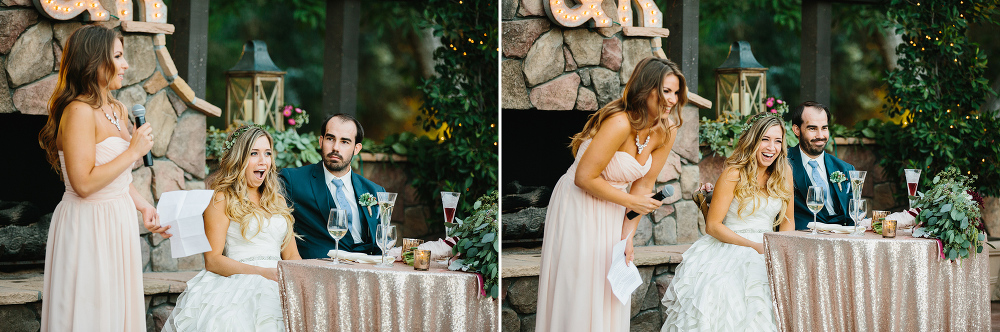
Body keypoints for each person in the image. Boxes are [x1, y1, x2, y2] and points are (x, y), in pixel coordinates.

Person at [534, 57, 686, 331]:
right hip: (579, 204)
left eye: (676, 92)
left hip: (614, 207)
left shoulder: (666, 131)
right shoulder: (620, 122)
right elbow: (584, 178)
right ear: (646, 88)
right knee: (579, 287)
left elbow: (643, 184)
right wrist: (630, 201)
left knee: (608, 289)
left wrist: (627, 237)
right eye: (666, 91)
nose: (673, 99)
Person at [36, 24, 170, 332]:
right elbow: (83, 184)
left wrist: (143, 206)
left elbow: (117, 176)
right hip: (87, 225)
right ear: (95, 61)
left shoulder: (117, 109)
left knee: (115, 312)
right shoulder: (77, 111)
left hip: (118, 221)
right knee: (90, 313)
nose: (126, 65)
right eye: (119, 57)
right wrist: (134, 150)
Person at [660, 114, 795, 331]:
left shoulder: (783, 172)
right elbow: (713, 226)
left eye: (778, 141)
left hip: (769, 246)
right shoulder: (734, 173)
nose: (772, 147)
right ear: (753, 140)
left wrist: (784, 252)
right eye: (765, 139)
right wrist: (756, 247)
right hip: (730, 245)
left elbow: (788, 222)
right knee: (740, 291)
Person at [162, 125, 301, 331]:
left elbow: (292, 257)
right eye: (254, 153)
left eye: (267, 153)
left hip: (280, 281)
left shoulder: (278, 201)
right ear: (239, 159)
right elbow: (213, 260)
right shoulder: (221, 199)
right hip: (239, 282)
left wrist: (304, 281)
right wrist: (262, 273)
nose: (263, 161)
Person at [279, 114, 386, 259]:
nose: (335, 148)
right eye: (330, 139)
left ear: (356, 148)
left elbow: (381, 241)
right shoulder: (292, 180)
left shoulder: (375, 191)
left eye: (345, 142)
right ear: (321, 141)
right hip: (320, 270)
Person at [788, 101, 855, 230]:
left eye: (824, 128)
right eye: (812, 128)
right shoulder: (783, 164)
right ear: (796, 130)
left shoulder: (845, 169)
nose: (820, 136)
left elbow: (854, 212)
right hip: (803, 237)